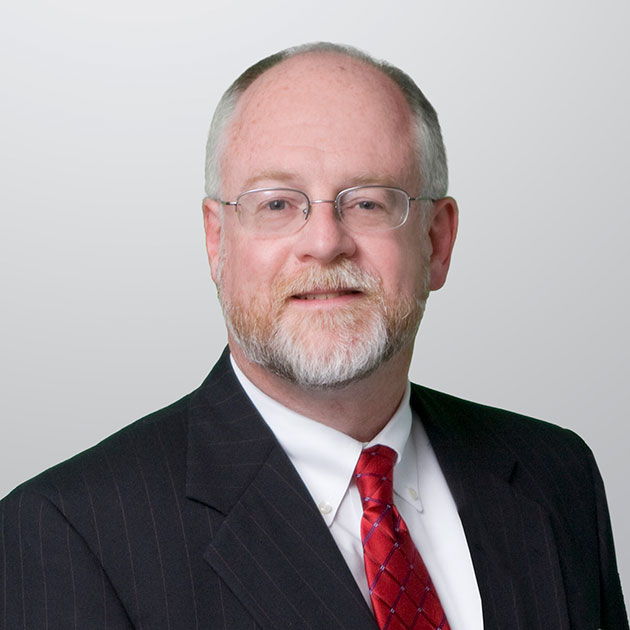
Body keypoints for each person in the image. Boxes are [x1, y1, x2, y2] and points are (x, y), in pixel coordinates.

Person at [0, 42, 627, 630]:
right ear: (217, 242)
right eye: (277, 204)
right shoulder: (68, 533)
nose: (325, 243)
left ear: (437, 241)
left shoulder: (556, 474)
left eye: (369, 202)